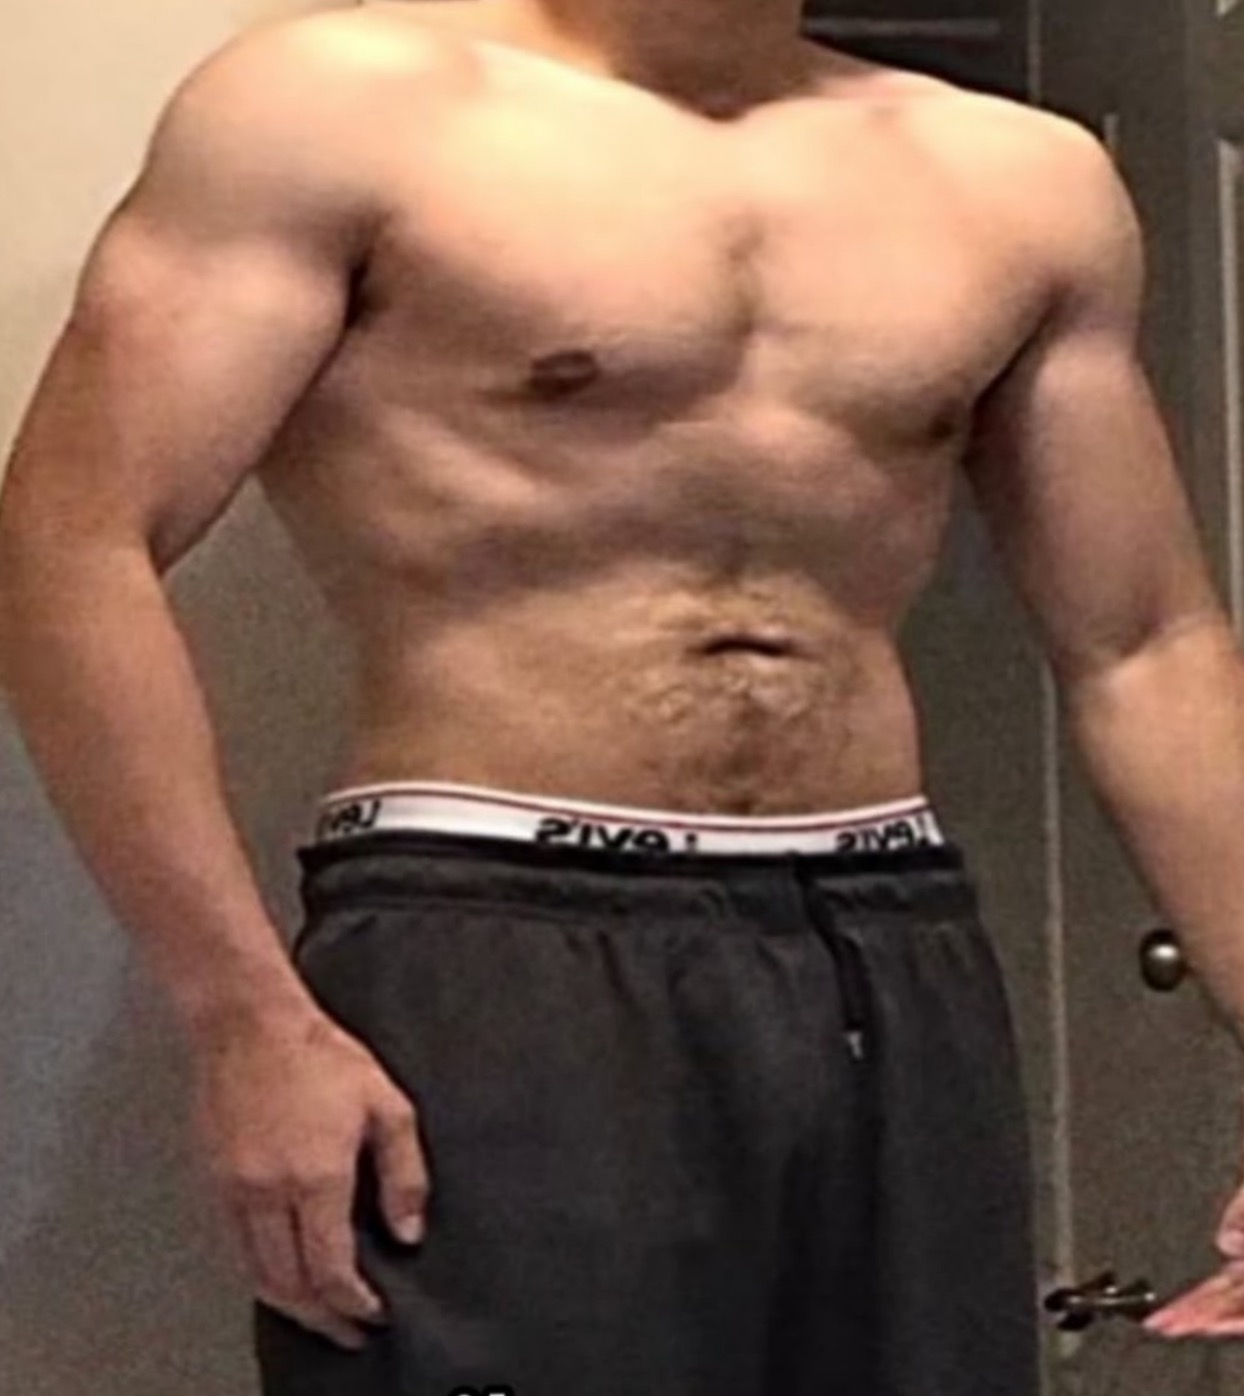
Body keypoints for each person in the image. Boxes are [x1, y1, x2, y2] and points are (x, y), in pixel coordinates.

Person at [2, 0, 1243, 1389]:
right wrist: (244, 1019)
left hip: (883, 938)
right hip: (497, 928)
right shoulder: (340, 108)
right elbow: (69, 545)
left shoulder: (1022, 180)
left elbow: (1147, 646)